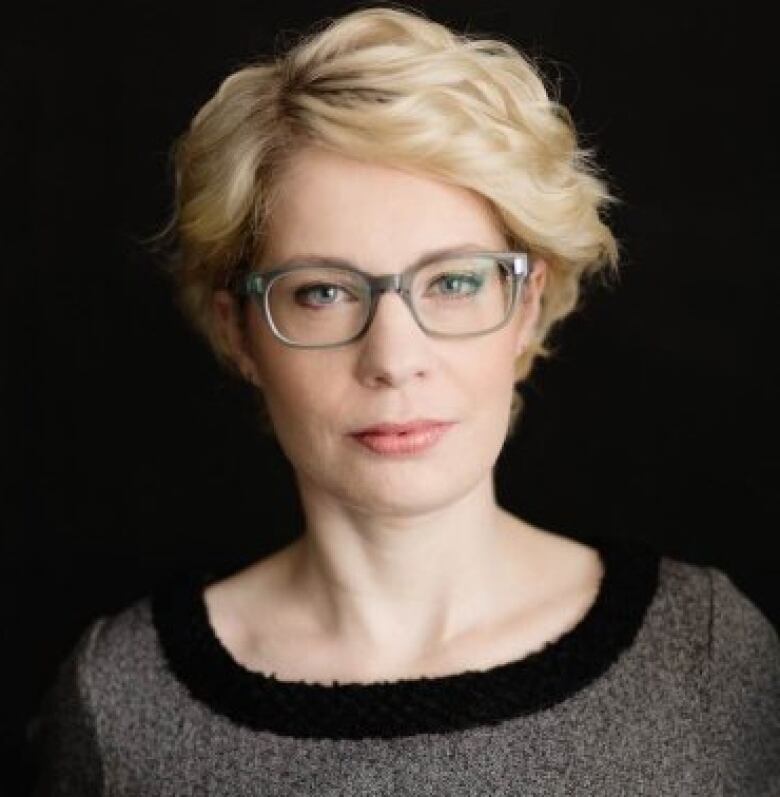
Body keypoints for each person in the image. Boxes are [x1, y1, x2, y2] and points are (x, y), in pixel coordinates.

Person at [28, 6, 779, 795]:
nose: (392, 360)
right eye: (322, 291)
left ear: (528, 306)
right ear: (241, 333)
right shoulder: (119, 702)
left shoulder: (706, 656)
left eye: (453, 282)